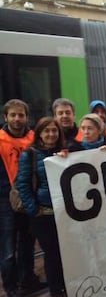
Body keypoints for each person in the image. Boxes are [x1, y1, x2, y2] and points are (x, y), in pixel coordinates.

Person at [15, 117, 66, 297]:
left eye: (54, 131)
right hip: (42, 214)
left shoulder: (65, 151)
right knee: (52, 253)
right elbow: (22, 184)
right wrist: (33, 209)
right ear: (39, 133)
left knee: (65, 253)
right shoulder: (29, 154)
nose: (51, 134)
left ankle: (65, 287)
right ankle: (55, 291)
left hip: (64, 213)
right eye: (47, 131)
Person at [0, 99, 46, 297]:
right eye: (13, 115)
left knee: (27, 242)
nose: (17, 119)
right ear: (6, 117)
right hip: (4, 198)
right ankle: (11, 288)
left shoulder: (34, 138)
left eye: (21, 115)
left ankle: (28, 280)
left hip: (28, 196)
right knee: (8, 247)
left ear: (27, 117)